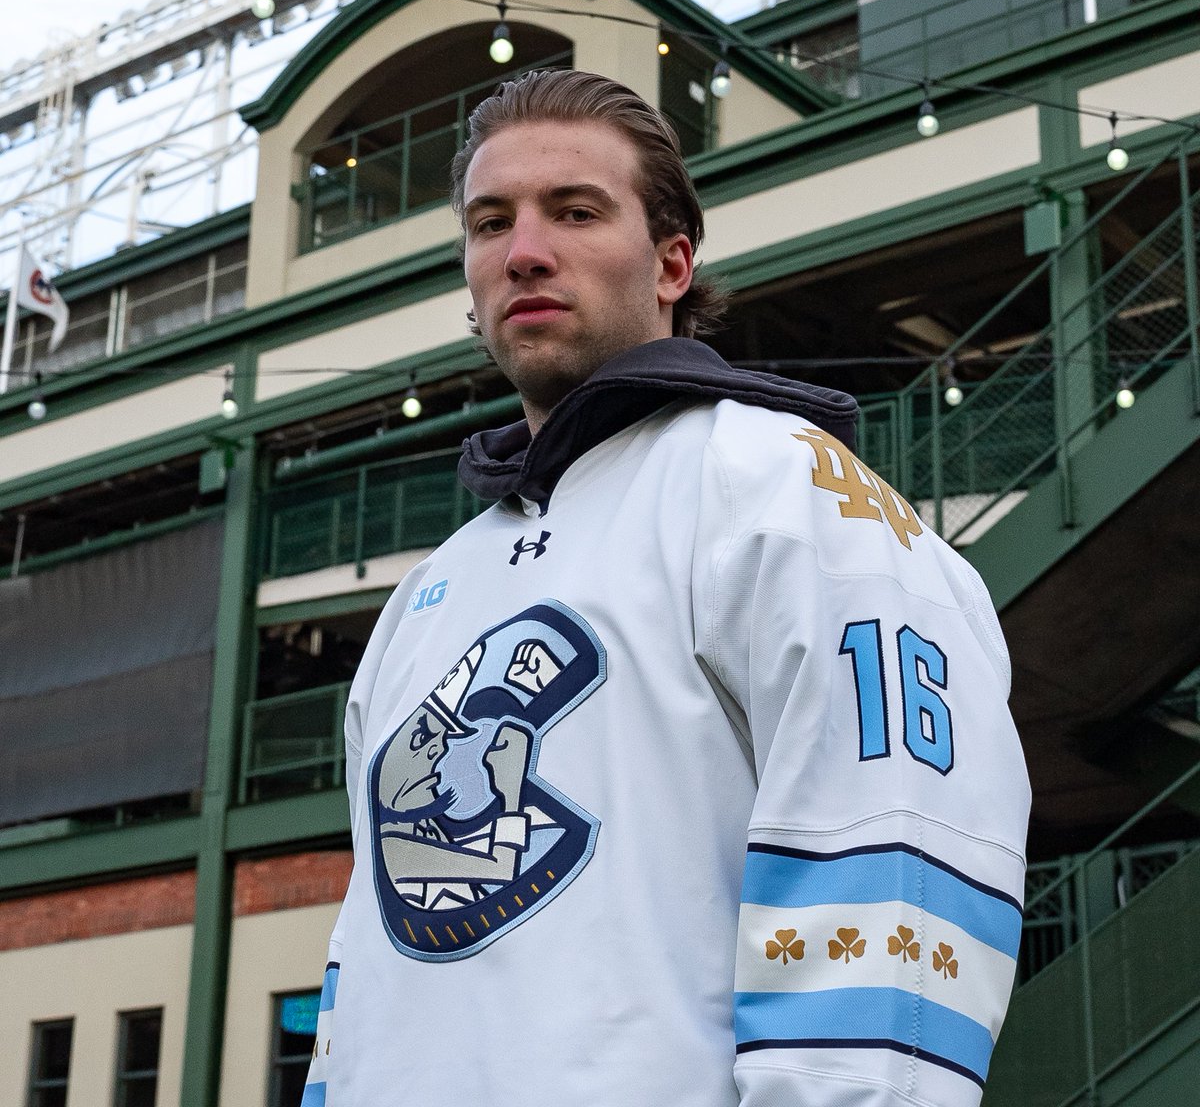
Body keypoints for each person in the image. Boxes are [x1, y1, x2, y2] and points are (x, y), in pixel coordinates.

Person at [303, 69, 1029, 1107]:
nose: (524, 251)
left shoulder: (784, 491)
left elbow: (894, 862)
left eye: (576, 211)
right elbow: (365, 962)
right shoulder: (427, 593)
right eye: (491, 222)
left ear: (673, 263)